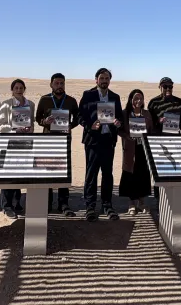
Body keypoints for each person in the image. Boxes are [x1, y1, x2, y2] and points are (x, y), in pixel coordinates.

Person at [79, 68, 123, 221]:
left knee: (107, 174)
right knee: (91, 174)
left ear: (110, 80)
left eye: (107, 78)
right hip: (92, 141)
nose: (104, 81)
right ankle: (90, 206)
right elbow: (80, 116)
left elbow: (119, 116)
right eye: (102, 78)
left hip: (108, 140)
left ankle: (107, 205)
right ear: (96, 79)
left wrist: (118, 123)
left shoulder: (115, 97)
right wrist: (90, 125)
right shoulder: (88, 95)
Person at [35, 73, 80, 216]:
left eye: (62, 83)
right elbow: (38, 118)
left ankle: (63, 203)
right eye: (57, 83)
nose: (59, 86)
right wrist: (45, 122)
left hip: (64, 139)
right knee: (47, 170)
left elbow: (78, 117)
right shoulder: (45, 99)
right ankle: (47, 202)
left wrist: (71, 125)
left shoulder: (71, 101)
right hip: (48, 140)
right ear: (51, 85)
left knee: (63, 171)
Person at [0, 79, 36, 219]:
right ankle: (7, 206)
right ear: (12, 90)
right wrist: (14, 129)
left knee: (20, 172)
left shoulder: (30, 104)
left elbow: (31, 123)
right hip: (10, 143)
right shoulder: (6, 104)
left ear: (24, 89)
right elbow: (0, 124)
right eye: (16, 88)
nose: (19, 90)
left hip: (25, 143)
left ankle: (17, 202)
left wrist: (29, 129)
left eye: (21, 88)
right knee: (8, 174)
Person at [118, 89, 154, 215]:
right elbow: (119, 130)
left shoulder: (147, 114)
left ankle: (142, 202)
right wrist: (127, 136)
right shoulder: (125, 113)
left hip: (143, 149)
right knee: (130, 175)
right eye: (136, 98)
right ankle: (132, 203)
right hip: (130, 149)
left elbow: (151, 130)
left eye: (141, 98)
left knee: (143, 174)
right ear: (131, 100)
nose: (138, 101)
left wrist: (147, 137)